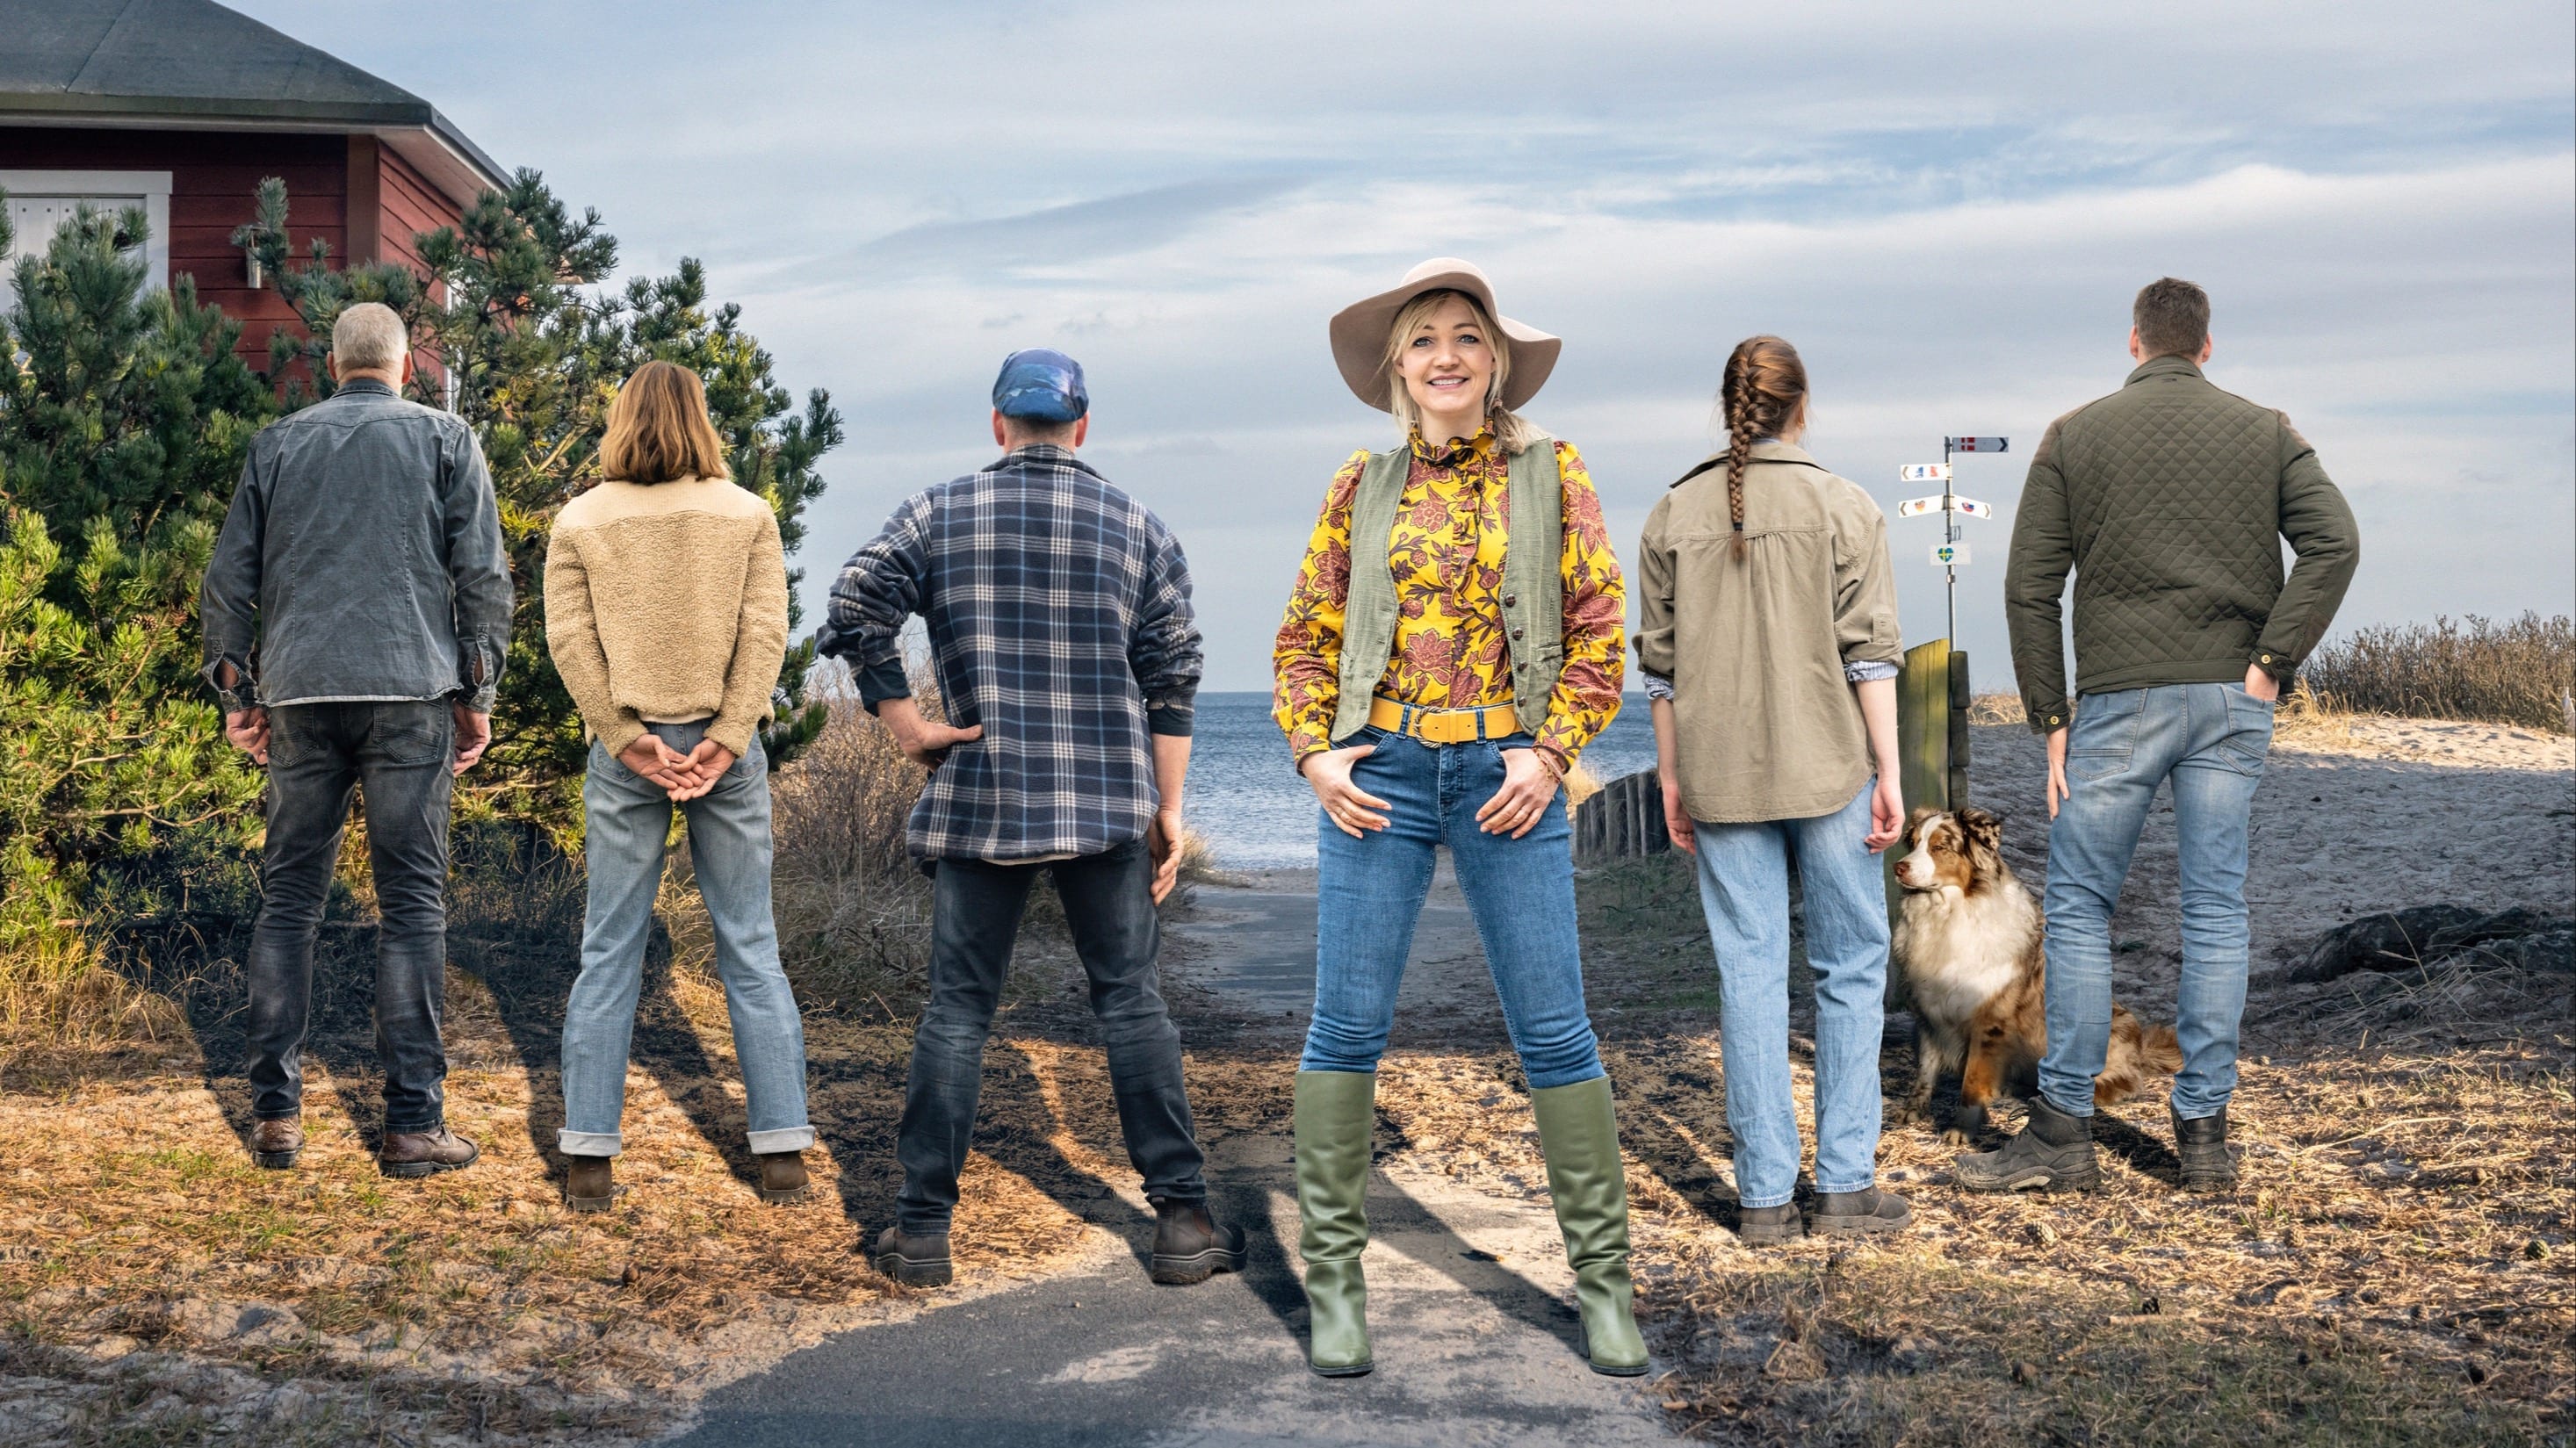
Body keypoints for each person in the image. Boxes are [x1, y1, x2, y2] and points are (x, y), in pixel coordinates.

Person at [1274, 258, 1642, 1378]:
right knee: (1345, 1028)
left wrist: (1549, 751)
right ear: (1398, 366)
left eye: (1467, 336)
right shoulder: (1359, 482)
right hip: (1377, 771)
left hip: (1504, 773)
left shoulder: (1551, 471)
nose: (1446, 354)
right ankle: (1335, 1291)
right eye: (1425, 338)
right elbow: (1304, 634)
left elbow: (1598, 626)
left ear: (1495, 362)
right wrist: (1313, 752)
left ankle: (1605, 1290)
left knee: (1554, 1029)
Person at [819, 348, 1243, 1290]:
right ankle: (1181, 1222)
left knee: (957, 1009)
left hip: (983, 794)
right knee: (1130, 1001)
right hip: (1105, 803)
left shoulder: (936, 511)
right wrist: (1168, 809)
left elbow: (856, 603)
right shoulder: (1137, 525)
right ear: (1081, 427)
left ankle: (921, 1230)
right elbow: (1172, 679)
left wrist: (904, 724)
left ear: (997, 425)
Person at [1967, 277, 2358, 1195]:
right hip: (2230, 697)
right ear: (2205, 346)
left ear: (2133, 341)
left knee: (2078, 908)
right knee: (2215, 908)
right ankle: (2205, 1138)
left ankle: (2062, 1132)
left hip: (2119, 701)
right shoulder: (2265, 429)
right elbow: (2334, 543)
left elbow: (2029, 588)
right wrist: (2270, 660)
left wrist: (2048, 718)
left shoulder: (2072, 434)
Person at [201, 301, 509, 1178]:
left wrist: (237, 694)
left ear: (332, 365)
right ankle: (412, 1125)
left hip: (300, 693)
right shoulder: (447, 439)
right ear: (405, 367)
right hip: (412, 691)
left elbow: (227, 580)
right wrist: (478, 693)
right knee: (410, 905)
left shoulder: (277, 444)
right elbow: (483, 577)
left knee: (289, 901)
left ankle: (275, 1117)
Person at [1634, 335, 1910, 1247]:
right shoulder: (1844, 504)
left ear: (1727, 407)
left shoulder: (1670, 511)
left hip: (1718, 772)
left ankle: (1762, 1198)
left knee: (1749, 973)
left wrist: (1671, 777)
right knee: (1850, 966)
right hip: (1829, 763)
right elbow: (1870, 655)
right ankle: (1843, 1186)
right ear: (1801, 405)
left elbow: (1660, 671)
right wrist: (1890, 772)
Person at [543, 360, 815, 1211]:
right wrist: (727, 739)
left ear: (620, 419)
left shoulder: (580, 518)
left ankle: (589, 1157)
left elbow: (570, 641)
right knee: (750, 945)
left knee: (608, 949)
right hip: (722, 753)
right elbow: (764, 633)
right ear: (701, 419)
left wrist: (625, 739)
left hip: (628, 752)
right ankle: (782, 1152)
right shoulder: (748, 513)